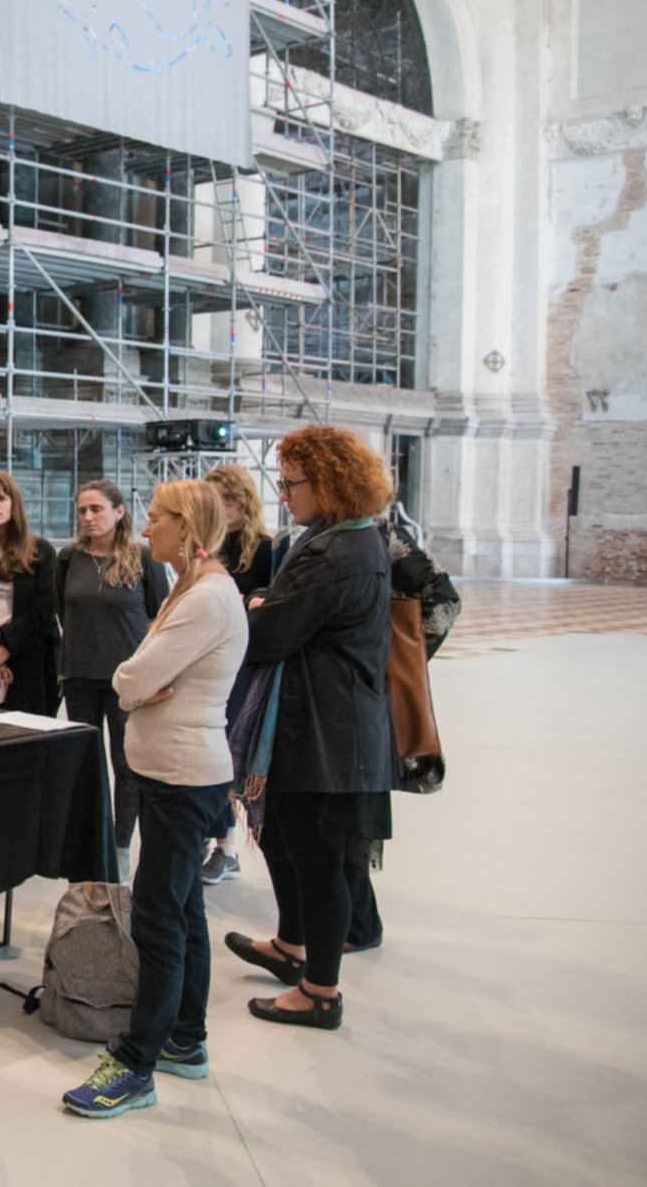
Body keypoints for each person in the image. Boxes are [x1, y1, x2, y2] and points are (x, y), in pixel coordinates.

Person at [61, 480, 247, 1119]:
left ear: (188, 528)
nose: (146, 530)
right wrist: (138, 682)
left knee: (160, 921)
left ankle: (137, 1063)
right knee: (183, 909)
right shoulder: (191, 589)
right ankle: (184, 1037)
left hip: (182, 776)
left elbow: (132, 674)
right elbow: (142, 669)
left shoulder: (206, 599)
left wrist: (132, 685)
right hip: (175, 771)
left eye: (157, 518)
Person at [223, 426, 396, 1033]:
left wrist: (257, 608)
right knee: (285, 842)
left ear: (327, 483)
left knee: (320, 860)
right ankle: (291, 946)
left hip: (327, 734)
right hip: (321, 725)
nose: (284, 493)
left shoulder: (335, 552)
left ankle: (320, 991)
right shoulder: (338, 540)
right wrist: (266, 603)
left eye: (291, 483)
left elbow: (270, 636)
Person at [344, 510, 460, 951]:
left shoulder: (381, 535)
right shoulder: (315, 534)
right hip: (337, 695)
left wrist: (395, 661)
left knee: (356, 808)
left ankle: (360, 924)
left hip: (368, 697)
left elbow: (443, 598)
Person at [55, 479, 169, 876]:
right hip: (80, 674)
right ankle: (88, 844)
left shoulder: (143, 557)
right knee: (85, 763)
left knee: (126, 763)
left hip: (127, 679)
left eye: (96, 509)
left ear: (119, 512)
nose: (88, 517)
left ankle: (120, 847)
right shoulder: (69, 557)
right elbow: (61, 611)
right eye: (82, 510)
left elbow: (161, 617)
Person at [197, 462, 275, 886]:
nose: (221, 507)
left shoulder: (263, 549)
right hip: (207, 659)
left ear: (244, 502)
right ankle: (210, 841)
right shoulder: (207, 547)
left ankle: (226, 847)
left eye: (227, 499)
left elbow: (268, 607)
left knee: (228, 754)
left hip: (242, 663)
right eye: (213, 499)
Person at [0, 471, 60, 717]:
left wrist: (4, 651)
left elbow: (44, 610)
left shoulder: (41, 552)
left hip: (29, 656)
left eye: (1, 498)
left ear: (14, 504)